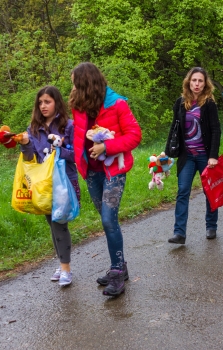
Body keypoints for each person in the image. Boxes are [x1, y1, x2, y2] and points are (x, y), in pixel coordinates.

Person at [69, 62, 142, 296]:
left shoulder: (117, 104)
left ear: (86, 85)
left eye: (75, 84)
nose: (72, 89)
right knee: (106, 220)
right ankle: (120, 266)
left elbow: (134, 135)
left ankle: (117, 273)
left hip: (114, 171)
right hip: (91, 172)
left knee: (109, 220)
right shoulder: (79, 106)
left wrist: (106, 147)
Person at [17, 86, 79, 287]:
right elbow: (30, 158)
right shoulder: (33, 129)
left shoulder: (68, 126)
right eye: (40, 102)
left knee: (59, 222)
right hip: (43, 184)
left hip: (63, 182)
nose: (43, 106)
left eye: (47, 102)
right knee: (52, 224)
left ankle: (66, 269)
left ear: (57, 102)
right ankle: (62, 264)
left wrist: (60, 147)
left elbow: (76, 155)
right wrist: (25, 143)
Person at [165, 67, 221, 244]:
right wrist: (167, 154)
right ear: (189, 81)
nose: (196, 84)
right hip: (186, 156)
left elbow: (215, 130)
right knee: (183, 191)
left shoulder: (209, 104)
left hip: (205, 156)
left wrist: (213, 155)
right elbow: (174, 129)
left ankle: (211, 226)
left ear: (205, 84)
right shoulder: (180, 103)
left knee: (209, 191)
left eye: (200, 81)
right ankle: (179, 233)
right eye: (194, 80)